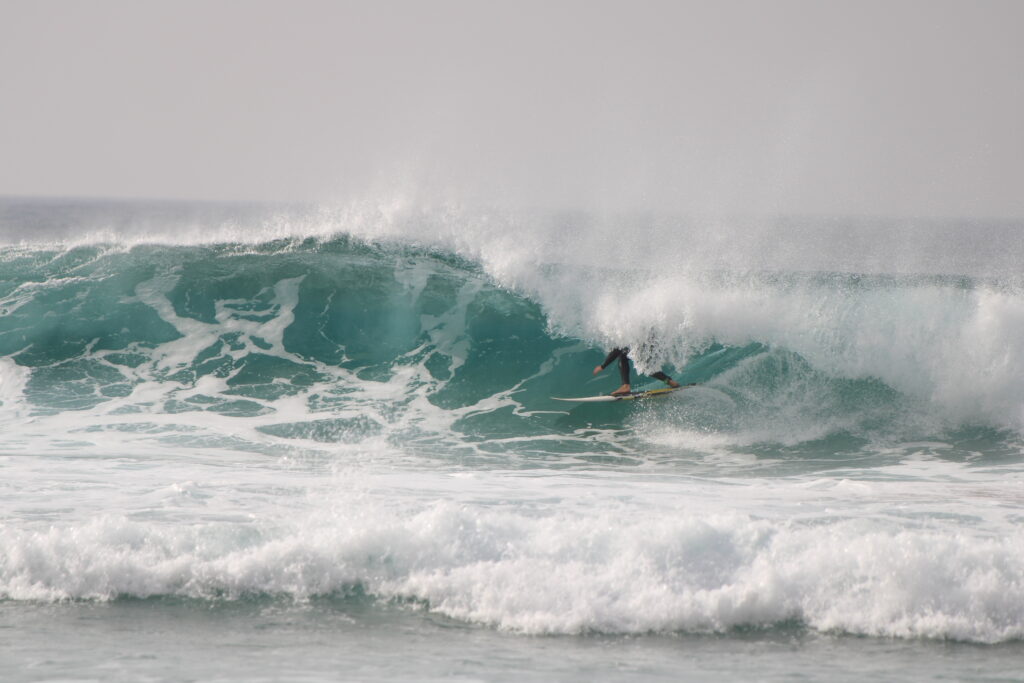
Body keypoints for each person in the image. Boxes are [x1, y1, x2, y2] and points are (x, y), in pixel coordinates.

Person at [593, 347, 680, 396]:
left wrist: (602, 366)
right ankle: (670, 382)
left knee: (623, 356)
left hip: (646, 340)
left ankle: (625, 386)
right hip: (650, 340)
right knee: (646, 368)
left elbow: (617, 349)